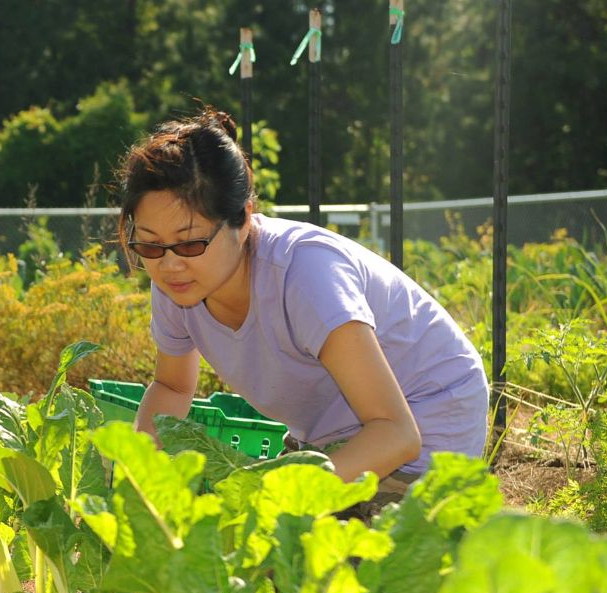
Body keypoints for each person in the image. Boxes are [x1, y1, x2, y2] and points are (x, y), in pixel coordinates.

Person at [119, 110, 488, 507]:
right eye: (150, 245)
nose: (169, 263)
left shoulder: (305, 275)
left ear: (242, 220)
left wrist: (286, 500)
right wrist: (136, 484)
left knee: (313, 559)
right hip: (334, 432)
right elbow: (173, 387)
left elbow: (397, 433)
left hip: (424, 421)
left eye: (189, 243)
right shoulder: (179, 282)